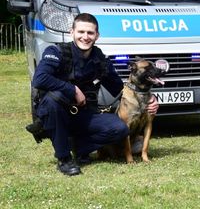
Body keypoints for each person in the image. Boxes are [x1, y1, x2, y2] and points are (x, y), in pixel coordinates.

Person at [30, 13, 159, 175]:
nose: (85, 37)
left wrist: (150, 99)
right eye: (81, 32)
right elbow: (39, 79)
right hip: (56, 114)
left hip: (84, 115)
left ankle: (79, 148)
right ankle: (64, 158)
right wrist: (73, 90)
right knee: (52, 100)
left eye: (90, 33)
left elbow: (121, 88)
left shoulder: (100, 60)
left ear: (97, 36)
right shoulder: (56, 51)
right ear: (72, 32)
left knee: (120, 129)